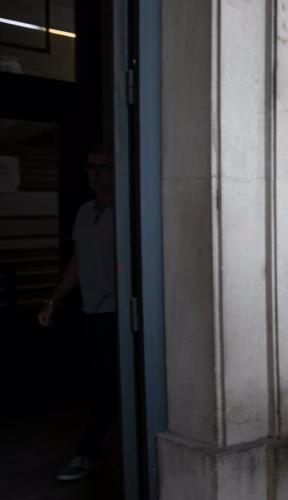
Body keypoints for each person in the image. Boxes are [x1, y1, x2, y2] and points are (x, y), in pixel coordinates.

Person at [38, 151, 117, 482]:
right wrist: (52, 301)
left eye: (104, 167)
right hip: (91, 310)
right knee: (99, 383)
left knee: (108, 385)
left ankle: (88, 452)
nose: (96, 174)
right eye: (91, 168)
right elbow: (78, 261)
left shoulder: (127, 208)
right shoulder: (85, 211)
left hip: (120, 313)